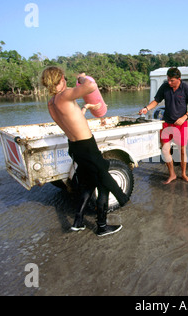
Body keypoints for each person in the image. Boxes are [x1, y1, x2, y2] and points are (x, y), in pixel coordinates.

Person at [41, 66, 129, 236]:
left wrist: (86, 107)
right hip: (87, 147)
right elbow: (90, 86)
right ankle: (102, 226)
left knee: (88, 183)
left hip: (75, 147)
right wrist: (81, 78)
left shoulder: (52, 103)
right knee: (104, 182)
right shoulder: (64, 95)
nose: (66, 80)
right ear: (59, 79)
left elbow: (71, 120)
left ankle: (78, 221)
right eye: (64, 78)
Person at [139, 67, 188, 184]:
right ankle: (172, 174)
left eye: (172, 81)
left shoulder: (186, 88)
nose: (169, 82)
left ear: (178, 79)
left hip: (181, 123)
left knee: (182, 151)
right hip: (166, 123)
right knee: (165, 150)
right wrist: (147, 108)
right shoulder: (165, 86)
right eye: (168, 80)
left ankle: (184, 174)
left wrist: (184, 117)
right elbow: (156, 100)